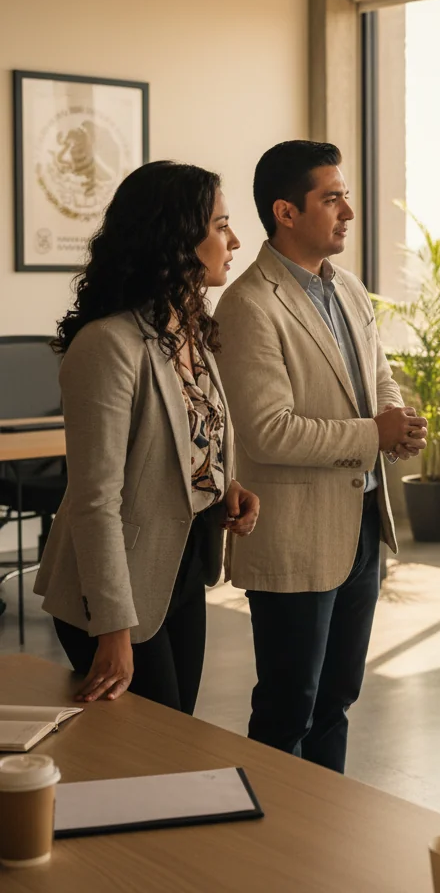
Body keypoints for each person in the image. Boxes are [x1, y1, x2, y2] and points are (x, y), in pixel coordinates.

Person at [214, 140, 426, 774]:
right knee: (289, 706)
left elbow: (377, 379)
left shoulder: (349, 289)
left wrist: (398, 424)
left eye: (345, 196)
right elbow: (268, 432)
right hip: (293, 535)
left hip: (360, 521)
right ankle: (273, 855)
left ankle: (322, 841)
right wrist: (372, 434)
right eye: (331, 198)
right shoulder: (249, 304)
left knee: (337, 698)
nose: (348, 212)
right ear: (285, 211)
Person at [34, 161, 261, 713]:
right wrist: (110, 629)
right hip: (113, 593)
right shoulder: (107, 345)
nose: (234, 240)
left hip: (178, 567)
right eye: (220, 225)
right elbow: (94, 501)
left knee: (175, 733)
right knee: (143, 754)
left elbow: (185, 441)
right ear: (177, 239)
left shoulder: (191, 332)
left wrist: (222, 486)